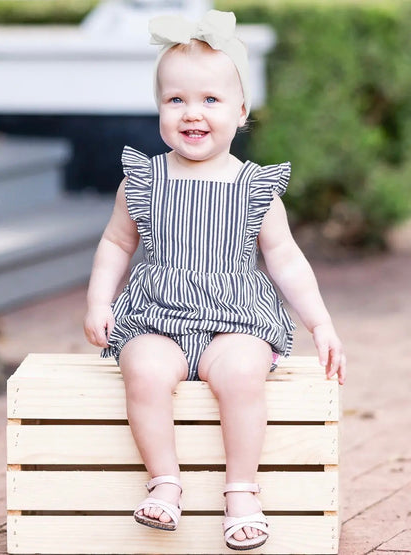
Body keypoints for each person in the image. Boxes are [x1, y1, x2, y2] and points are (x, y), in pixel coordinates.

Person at [84, 9, 346, 551]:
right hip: (157, 313)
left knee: (243, 373)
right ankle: (164, 480)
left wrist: (319, 322)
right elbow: (116, 243)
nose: (191, 113)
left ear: (242, 110)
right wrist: (98, 301)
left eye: (210, 100)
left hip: (236, 318)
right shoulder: (144, 179)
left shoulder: (254, 186)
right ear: (158, 107)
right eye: (175, 99)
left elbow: (286, 258)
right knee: (144, 369)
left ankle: (242, 489)